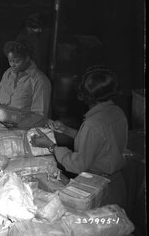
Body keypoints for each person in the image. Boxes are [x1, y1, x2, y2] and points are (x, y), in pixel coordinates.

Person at [30, 65, 128, 208]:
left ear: (85, 96)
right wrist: (66, 130)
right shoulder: (117, 112)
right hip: (117, 183)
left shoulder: (92, 124)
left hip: (99, 188)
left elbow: (77, 165)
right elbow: (99, 143)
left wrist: (51, 146)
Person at [0, 40, 51, 120]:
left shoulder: (39, 80)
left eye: (17, 61)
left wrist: (15, 122)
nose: (12, 65)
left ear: (27, 58)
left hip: (21, 129)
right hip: (0, 122)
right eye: (10, 61)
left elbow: (39, 115)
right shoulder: (8, 73)